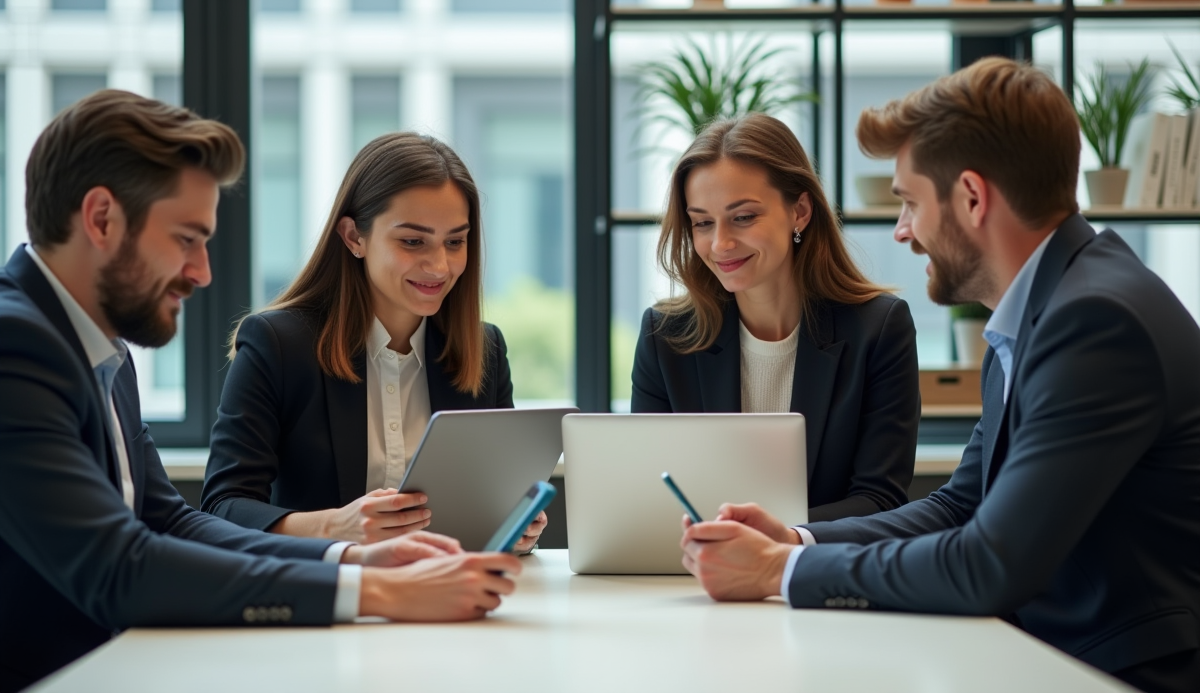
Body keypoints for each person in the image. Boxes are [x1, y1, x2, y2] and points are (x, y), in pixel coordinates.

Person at [678, 59, 1200, 693]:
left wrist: (777, 571)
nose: (902, 232)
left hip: (1116, 672)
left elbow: (988, 565)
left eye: (910, 203)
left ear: (973, 198)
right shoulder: (1051, 306)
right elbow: (961, 505)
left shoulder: (1092, 322)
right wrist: (796, 538)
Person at [0, 91, 522, 693]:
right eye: (186, 239)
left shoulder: (101, 351)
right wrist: (374, 588)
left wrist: (353, 559)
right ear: (100, 219)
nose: (202, 272)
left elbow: (169, 521)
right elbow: (120, 566)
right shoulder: (17, 345)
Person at [201, 132, 546, 551]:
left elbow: (496, 506)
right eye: (412, 241)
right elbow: (222, 509)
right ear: (354, 238)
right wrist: (334, 527)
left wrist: (515, 525)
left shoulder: (485, 349)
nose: (439, 265)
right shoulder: (277, 344)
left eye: (455, 242)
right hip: (327, 597)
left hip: (448, 593)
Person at [632, 112, 920, 522]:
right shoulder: (664, 337)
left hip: (818, 576)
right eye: (702, 223)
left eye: (744, 217)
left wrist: (773, 539)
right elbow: (646, 492)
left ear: (800, 211)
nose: (720, 243)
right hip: (696, 574)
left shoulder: (879, 329)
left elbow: (880, 500)